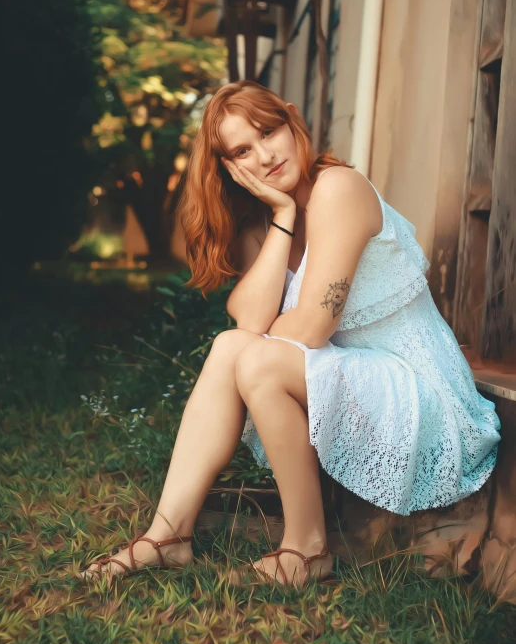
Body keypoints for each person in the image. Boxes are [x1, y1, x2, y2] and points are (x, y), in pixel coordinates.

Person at [79, 80, 501, 588]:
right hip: (363, 382)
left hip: (424, 393)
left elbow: (312, 328)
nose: (265, 155)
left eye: (268, 131)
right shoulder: (267, 224)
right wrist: (281, 216)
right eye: (242, 150)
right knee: (233, 348)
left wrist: (267, 328)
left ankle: (307, 548)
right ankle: (166, 537)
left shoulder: (337, 189)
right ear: (229, 168)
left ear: (292, 121)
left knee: (254, 358)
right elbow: (247, 325)